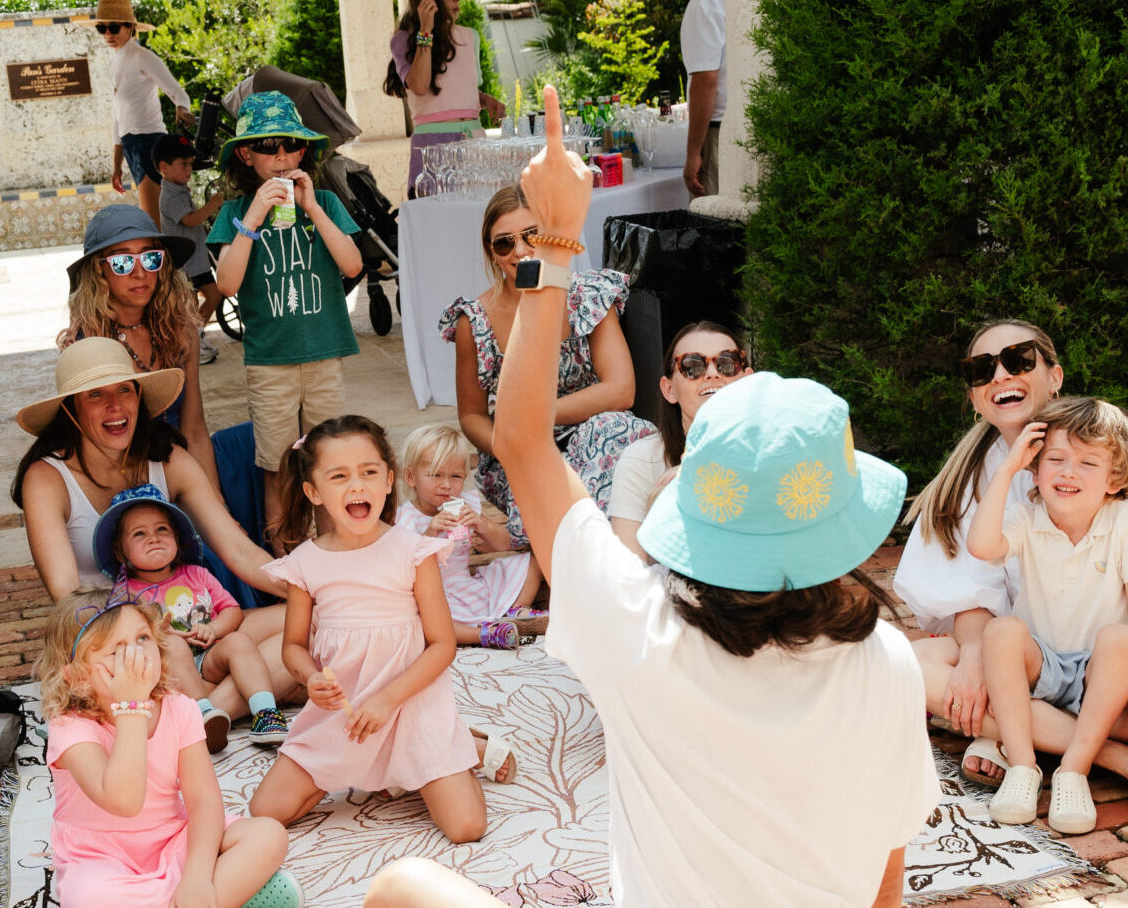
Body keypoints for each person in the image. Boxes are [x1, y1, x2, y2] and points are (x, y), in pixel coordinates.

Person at [362, 91, 940, 905]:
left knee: (404, 886)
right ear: (842, 525)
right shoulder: (884, 658)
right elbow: (886, 880)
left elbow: (520, 441)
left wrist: (556, 241)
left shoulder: (636, 627)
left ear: (692, 507)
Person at [897, 319, 1128, 818]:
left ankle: (1014, 730)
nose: (1001, 375)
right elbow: (970, 585)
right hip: (1030, 660)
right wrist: (971, 654)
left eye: (1018, 360)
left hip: (1120, 662)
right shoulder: (979, 474)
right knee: (910, 666)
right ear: (973, 397)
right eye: (982, 369)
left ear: (1055, 376)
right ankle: (1118, 759)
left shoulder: (1107, 446)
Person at [247, 416, 507, 844]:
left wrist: (388, 700)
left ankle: (460, 746)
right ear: (314, 492)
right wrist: (309, 677)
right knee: (266, 811)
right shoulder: (305, 564)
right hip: (344, 715)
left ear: (388, 480)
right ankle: (377, 766)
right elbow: (293, 646)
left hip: (411, 705)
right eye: (339, 476)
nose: (357, 486)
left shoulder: (414, 551)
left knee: (466, 827)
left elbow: (442, 645)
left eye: (368, 472)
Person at [12, 338, 299, 707]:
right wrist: (147, 632)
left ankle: (205, 710)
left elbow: (240, 551)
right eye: (96, 395)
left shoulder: (167, 458)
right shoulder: (46, 477)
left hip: (192, 623)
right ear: (71, 410)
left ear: (138, 397)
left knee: (310, 618)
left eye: (124, 390)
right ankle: (225, 703)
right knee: (286, 662)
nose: (115, 406)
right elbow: (68, 594)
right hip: (110, 636)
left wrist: (313, 589)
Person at [969, 397, 1128, 836]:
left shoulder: (1127, 520)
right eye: (1055, 459)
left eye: (1087, 463)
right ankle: (1023, 766)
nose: (1068, 472)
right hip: (1041, 665)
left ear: (1115, 479)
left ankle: (1073, 770)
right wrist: (1007, 469)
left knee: (1121, 637)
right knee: (1001, 630)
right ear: (1035, 470)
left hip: (1103, 672)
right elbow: (981, 546)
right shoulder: (1026, 517)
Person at [34, 589, 299, 908]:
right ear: (77, 676)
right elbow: (124, 801)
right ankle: (230, 896)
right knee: (88, 898)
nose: (137, 655)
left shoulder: (180, 708)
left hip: (173, 841)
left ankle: (198, 895)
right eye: (116, 650)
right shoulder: (69, 727)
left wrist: (197, 877)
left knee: (268, 835)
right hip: (100, 860)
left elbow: (203, 801)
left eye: (143, 638)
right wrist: (131, 707)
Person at [443, 186, 653, 550]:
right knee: (557, 469)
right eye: (504, 243)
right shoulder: (474, 320)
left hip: (592, 428)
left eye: (532, 235)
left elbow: (620, 390)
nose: (520, 250)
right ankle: (586, 553)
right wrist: (511, 445)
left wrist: (535, 417)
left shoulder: (587, 295)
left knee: (614, 431)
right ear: (491, 252)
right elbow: (471, 415)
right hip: (520, 448)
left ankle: (554, 547)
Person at [207, 92, 365, 540]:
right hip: (270, 363)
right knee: (277, 467)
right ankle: (285, 560)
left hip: (324, 353)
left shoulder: (325, 204)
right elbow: (227, 284)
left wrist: (311, 206)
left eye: (290, 145)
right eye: (266, 146)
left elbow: (353, 265)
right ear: (245, 155)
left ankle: (332, 552)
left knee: (329, 463)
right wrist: (254, 215)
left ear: (303, 153)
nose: (280, 156)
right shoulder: (235, 213)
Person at [97, 491, 291, 752]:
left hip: (209, 656)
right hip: (170, 669)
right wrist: (158, 632)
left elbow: (232, 610)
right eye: (139, 534)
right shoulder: (126, 592)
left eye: (162, 529)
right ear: (121, 552)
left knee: (238, 640)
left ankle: (265, 713)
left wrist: (214, 628)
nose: (153, 537)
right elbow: (124, 636)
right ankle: (203, 713)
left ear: (177, 539)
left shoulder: (197, 574)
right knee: (173, 646)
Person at [61, 205, 217, 479]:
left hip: (182, 470)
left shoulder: (181, 332)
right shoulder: (88, 346)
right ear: (98, 271)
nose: (140, 272)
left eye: (150, 258)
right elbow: (96, 455)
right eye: (122, 262)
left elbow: (194, 431)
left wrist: (213, 498)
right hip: (123, 479)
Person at [608, 320, 754, 561]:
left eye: (727, 363)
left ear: (748, 380)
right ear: (669, 390)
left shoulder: (774, 450)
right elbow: (627, 570)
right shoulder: (642, 460)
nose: (712, 373)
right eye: (692, 366)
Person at [396, 424, 544, 649]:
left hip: (471, 587)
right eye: (435, 475)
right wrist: (430, 533)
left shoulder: (464, 504)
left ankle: (515, 612)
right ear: (410, 477)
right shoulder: (407, 517)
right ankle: (484, 635)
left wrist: (482, 525)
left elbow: (505, 543)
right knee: (422, 620)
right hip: (436, 595)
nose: (446, 485)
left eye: (455, 476)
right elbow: (404, 567)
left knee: (535, 558)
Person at [384, 0, 505, 197]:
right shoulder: (403, 40)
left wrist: (484, 99)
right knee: (437, 211)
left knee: (480, 210)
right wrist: (425, 31)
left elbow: (459, 90)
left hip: (473, 142)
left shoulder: (471, 36)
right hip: (433, 146)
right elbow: (419, 86)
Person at [93, 0, 195, 228]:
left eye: (114, 27)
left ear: (129, 27)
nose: (108, 34)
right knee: (156, 222)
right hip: (131, 146)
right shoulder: (113, 64)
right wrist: (117, 165)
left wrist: (182, 108)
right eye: (102, 28)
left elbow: (177, 92)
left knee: (155, 223)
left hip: (151, 143)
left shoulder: (143, 56)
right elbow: (118, 117)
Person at [153, 137, 226, 365]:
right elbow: (191, 220)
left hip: (197, 260)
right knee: (191, 306)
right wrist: (213, 204)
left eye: (190, 164)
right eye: (183, 164)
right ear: (164, 167)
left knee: (214, 295)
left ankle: (196, 337)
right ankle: (191, 346)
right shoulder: (169, 197)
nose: (189, 169)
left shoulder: (180, 190)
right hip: (184, 264)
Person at [678, 0, 730, 197]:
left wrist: (693, 152)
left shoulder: (703, 6)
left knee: (712, 212)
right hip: (751, 123)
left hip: (717, 134)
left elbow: (705, 81)